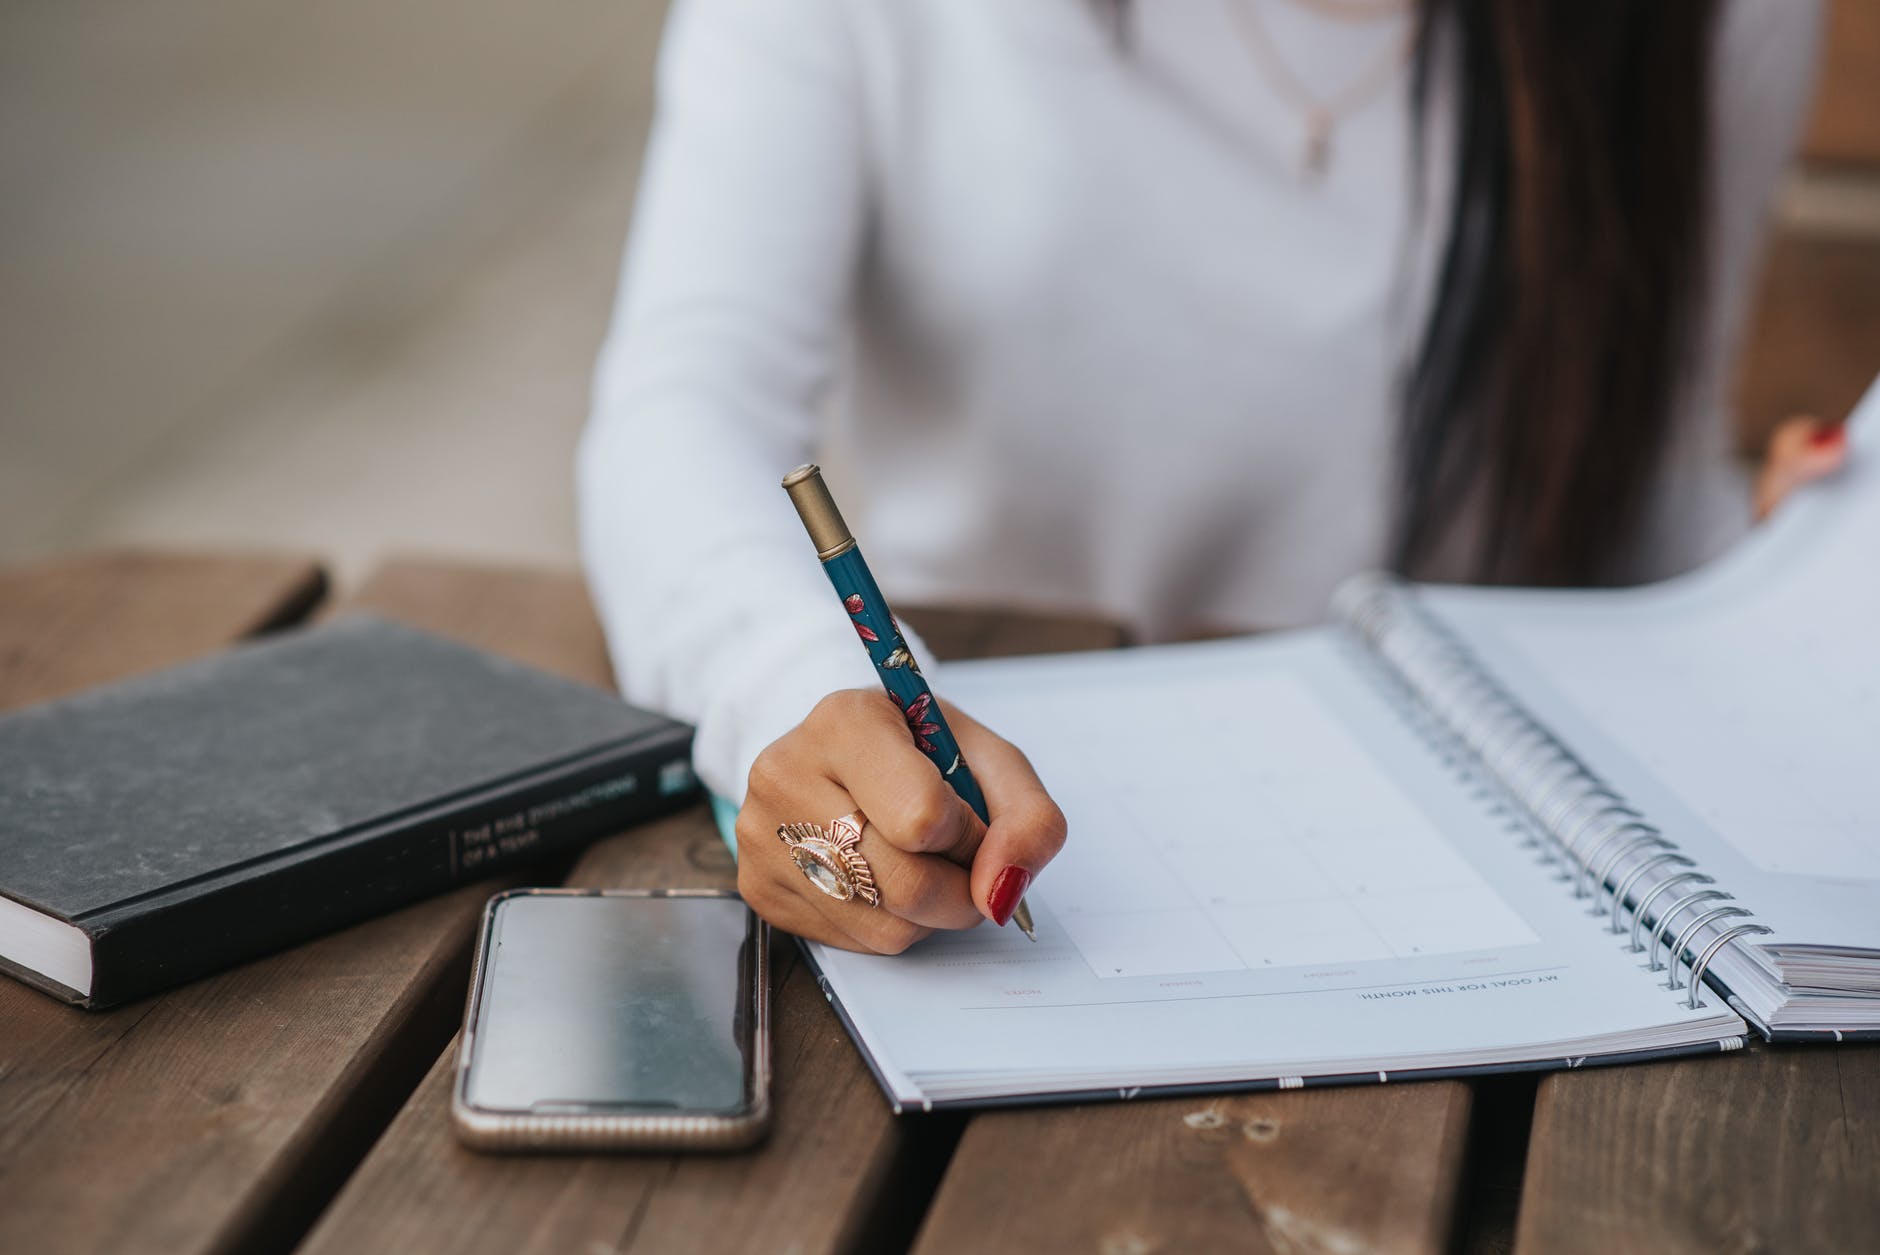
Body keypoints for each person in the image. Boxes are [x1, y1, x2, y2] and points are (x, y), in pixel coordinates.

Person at [578, 0, 1844, 955]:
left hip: (1504, 881)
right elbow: (681, 406)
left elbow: (1643, 478)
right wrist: (791, 688)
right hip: (994, 804)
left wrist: (1792, 566)